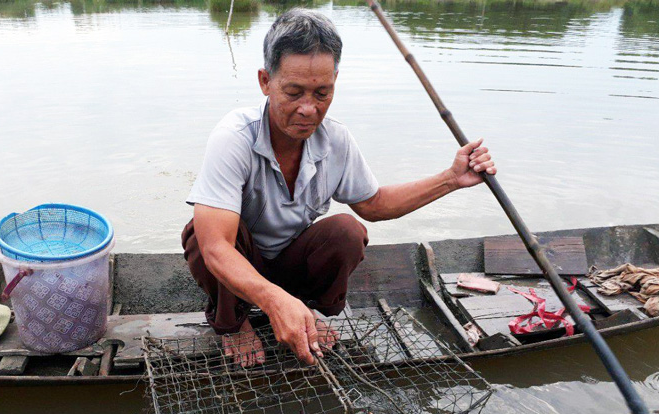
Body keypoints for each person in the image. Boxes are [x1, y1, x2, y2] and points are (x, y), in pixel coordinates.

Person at [182, 8, 496, 367]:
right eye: (294, 91)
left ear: (334, 83)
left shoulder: (336, 140)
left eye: (322, 93)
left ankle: (307, 311)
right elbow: (215, 248)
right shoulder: (234, 138)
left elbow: (374, 205)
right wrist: (272, 302)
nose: (308, 109)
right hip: (240, 263)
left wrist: (451, 179)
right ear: (265, 82)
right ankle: (233, 323)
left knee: (347, 231)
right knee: (205, 234)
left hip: (290, 262)